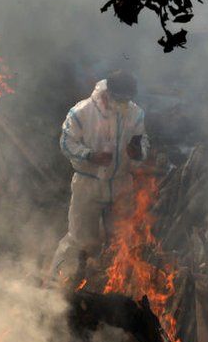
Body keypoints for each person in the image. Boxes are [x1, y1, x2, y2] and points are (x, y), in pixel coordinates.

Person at [49, 70, 149, 284]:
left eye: (128, 100)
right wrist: (89, 155)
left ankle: (110, 283)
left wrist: (138, 151)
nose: (124, 104)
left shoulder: (135, 113)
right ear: (108, 93)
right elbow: (67, 143)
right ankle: (57, 283)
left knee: (122, 239)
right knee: (80, 239)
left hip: (121, 185)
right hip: (89, 184)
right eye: (120, 99)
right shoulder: (82, 112)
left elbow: (143, 142)